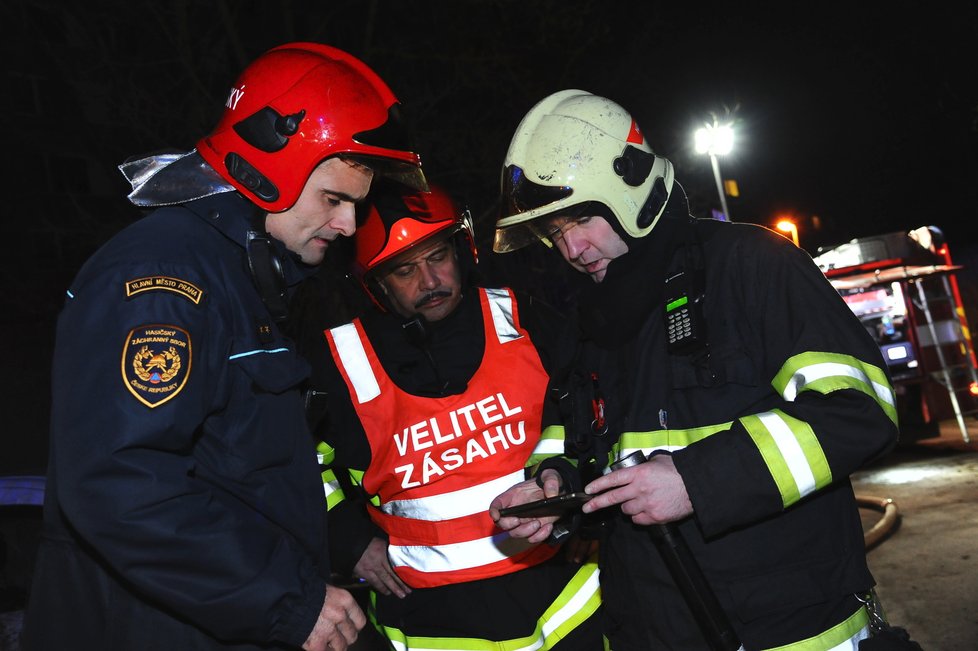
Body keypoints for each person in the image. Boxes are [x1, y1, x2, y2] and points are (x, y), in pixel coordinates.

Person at [22, 42, 426, 651]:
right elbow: (119, 482)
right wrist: (284, 597)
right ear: (269, 170)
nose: (347, 225)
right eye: (334, 199)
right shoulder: (165, 281)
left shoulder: (243, 279)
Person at [489, 89, 900, 651]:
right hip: (649, 627)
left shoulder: (752, 265)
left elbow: (859, 410)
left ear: (630, 186)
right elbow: (577, 439)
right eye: (554, 233)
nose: (573, 249)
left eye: (581, 218)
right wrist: (553, 488)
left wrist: (698, 481)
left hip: (789, 630)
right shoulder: (590, 323)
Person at [301, 182, 603, 650]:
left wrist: (571, 490)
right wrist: (349, 540)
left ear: (461, 253)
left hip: (563, 605)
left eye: (437, 257)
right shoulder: (340, 360)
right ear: (376, 285)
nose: (429, 282)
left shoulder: (523, 317)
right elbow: (296, 462)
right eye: (405, 271)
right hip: (430, 625)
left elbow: (582, 409)